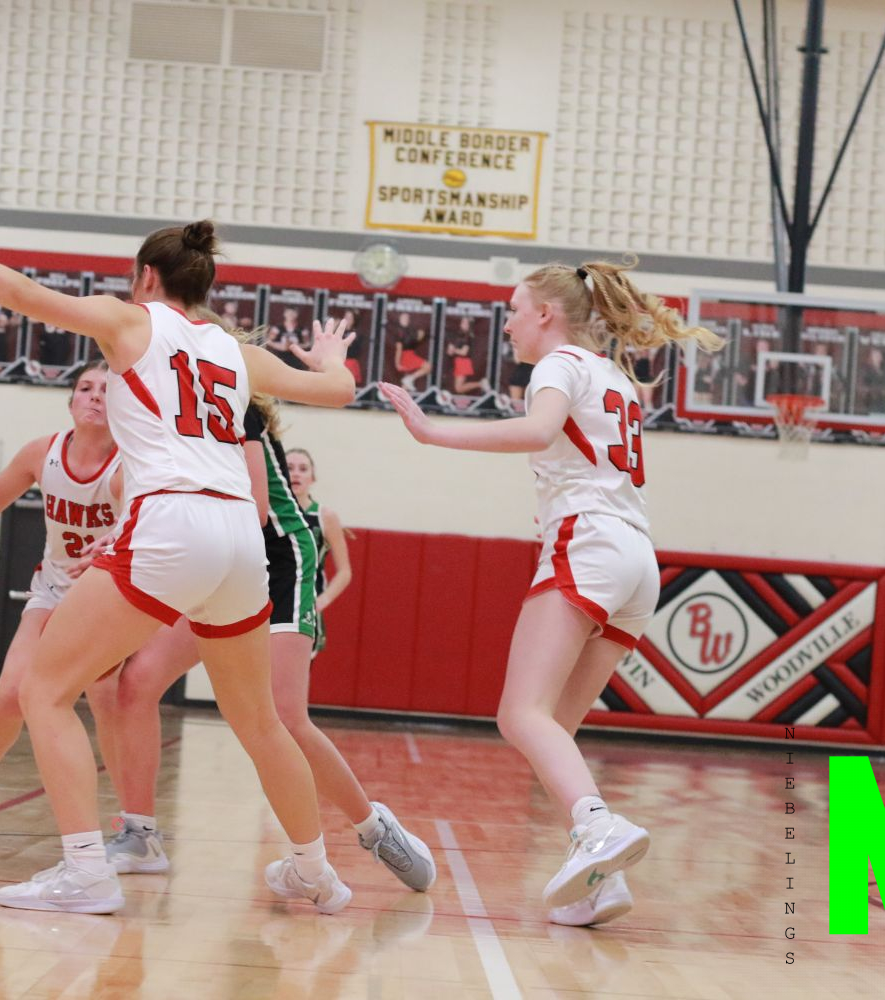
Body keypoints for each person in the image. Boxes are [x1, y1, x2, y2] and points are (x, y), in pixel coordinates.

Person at [0, 195, 359, 915]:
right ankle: (315, 871)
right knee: (260, 723)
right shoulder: (234, 351)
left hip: (173, 522)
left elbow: (19, 292)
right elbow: (338, 391)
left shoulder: (131, 321)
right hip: (241, 540)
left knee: (43, 690)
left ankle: (85, 872)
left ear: (146, 276)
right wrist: (333, 358)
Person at [382, 260, 723, 926]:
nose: (508, 323)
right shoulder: (613, 375)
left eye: (514, 309)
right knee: (553, 728)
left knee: (519, 714)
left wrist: (432, 431)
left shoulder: (559, 365)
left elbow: (538, 431)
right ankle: (601, 879)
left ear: (545, 312)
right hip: (637, 559)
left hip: (588, 542)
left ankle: (597, 827)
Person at [104, 388, 434, 892]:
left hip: (277, 560)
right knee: (138, 681)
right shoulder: (165, 407)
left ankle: (373, 828)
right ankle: (140, 834)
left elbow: (257, 510)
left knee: (284, 717)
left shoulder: (231, 400)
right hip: (218, 556)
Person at [0, 362, 122, 835]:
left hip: (109, 596)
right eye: (85, 387)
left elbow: (153, 525)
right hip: (54, 590)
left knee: (109, 701)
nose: (95, 395)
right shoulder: (43, 453)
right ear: (70, 400)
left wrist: (118, 543)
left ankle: (133, 817)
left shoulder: (132, 462)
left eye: (107, 389)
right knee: (10, 694)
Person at [285, 448, 352, 659]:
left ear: (312, 478)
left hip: (305, 606)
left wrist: (322, 600)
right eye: (289, 468)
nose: (296, 473)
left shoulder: (325, 516)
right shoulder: (268, 512)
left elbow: (345, 571)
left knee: (293, 675)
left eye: (303, 469)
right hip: (270, 603)